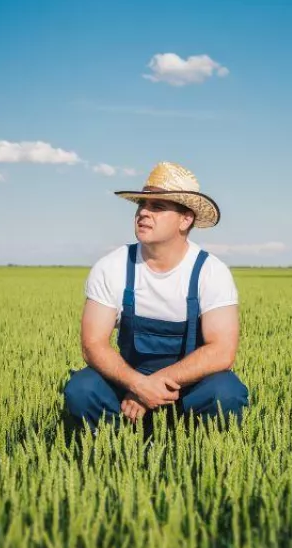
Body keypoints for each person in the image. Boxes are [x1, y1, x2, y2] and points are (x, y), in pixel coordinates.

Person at [63, 161, 248, 432]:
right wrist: (138, 384)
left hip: (187, 389)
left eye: (157, 207)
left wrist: (155, 385)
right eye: (141, 206)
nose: (143, 213)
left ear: (186, 219)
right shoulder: (112, 266)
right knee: (82, 389)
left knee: (227, 393)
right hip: (128, 383)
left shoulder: (211, 272)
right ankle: (110, 456)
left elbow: (221, 351)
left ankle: (199, 453)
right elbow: (93, 344)